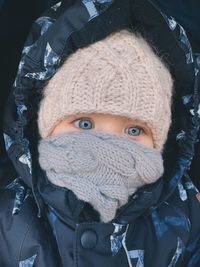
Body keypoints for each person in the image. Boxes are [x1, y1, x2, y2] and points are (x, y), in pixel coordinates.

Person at [0, 0, 200, 266]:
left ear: (160, 141)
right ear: (45, 126)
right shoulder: (11, 214)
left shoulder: (185, 213)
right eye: (84, 124)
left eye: (133, 129)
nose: (109, 146)